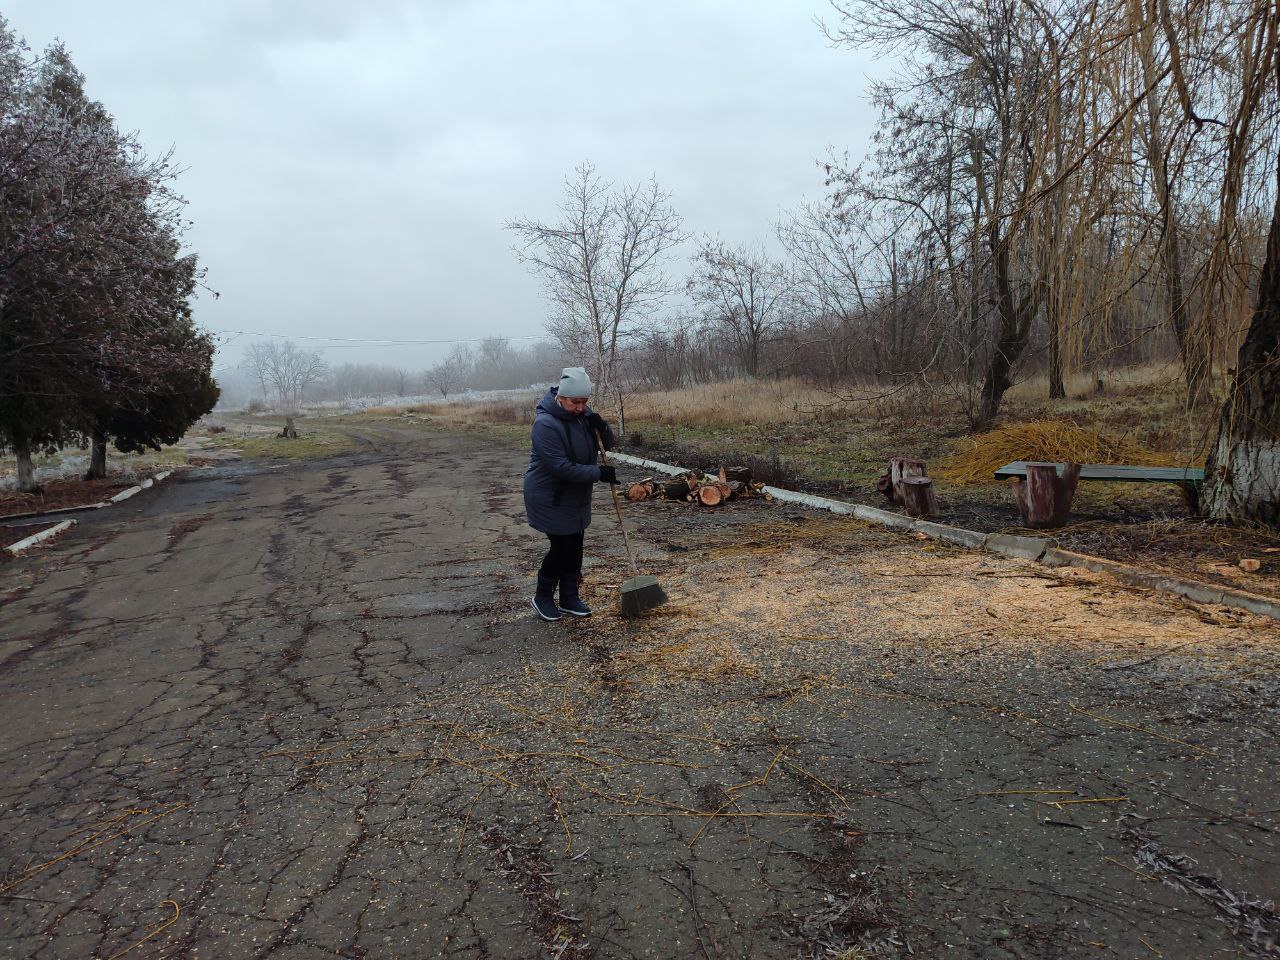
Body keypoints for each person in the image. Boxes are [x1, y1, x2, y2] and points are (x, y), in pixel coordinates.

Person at [522, 366, 616, 621]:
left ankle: (569, 597)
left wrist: (602, 427)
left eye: (584, 402)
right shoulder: (545, 425)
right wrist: (599, 474)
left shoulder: (584, 416)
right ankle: (542, 597)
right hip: (549, 496)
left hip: (576, 496)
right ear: (561, 397)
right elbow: (560, 468)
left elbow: (606, 444)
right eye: (575, 402)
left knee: (575, 546)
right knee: (562, 546)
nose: (580, 407)